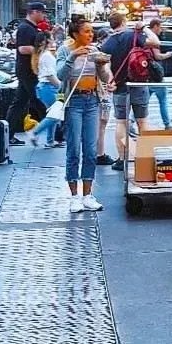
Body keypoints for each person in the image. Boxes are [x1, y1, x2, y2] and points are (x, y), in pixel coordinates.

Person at [56, 19, 114, 212]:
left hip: (92, 101)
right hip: (74, 103)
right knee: (74, 149)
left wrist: (104, 70)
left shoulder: (95, 50)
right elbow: (60, 75)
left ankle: (88, 194)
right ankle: (74, 196)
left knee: (90, 150)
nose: (91, 35)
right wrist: (72, 56)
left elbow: (104, 77)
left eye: (91, 32)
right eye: (86, 32)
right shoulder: (65, 50)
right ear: (75, 34)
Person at [101, 12, 160, 172]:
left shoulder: (107, 44)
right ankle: (146, 157)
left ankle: (122, 158)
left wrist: (110, 80)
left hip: (120, 86)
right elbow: (156, 42)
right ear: (124, 21)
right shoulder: (133, 36)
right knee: (142, 121)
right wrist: (145, 28)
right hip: (139, 84)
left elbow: (105, 67)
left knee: (121, 122)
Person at [7, 1, 48, 142]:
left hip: (28, 71)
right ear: (34, 12)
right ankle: (55, 134)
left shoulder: (31, 28)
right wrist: (42, 51)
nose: (43, 15)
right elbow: (23, 48)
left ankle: (8, 135)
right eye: (42, 12)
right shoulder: (25, 28)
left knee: (19, 103)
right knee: (41, 101)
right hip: (28, 71)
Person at [26, 32, 62, 148]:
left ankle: (50, 140)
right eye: (51, 38)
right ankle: (35, 132)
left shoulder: (42, 55)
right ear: (46, 40)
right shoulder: (46, 56)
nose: (53, 40)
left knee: (53, 114)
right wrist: (61, 87)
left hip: (45, 88)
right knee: (56, 114)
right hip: (49, 87)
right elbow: (50, 75)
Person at [147, 18, 172, 129]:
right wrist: (168, 54)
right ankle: (167, 123)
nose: (161, 29)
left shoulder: (146, 38)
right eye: (160, 26)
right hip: (156, 75)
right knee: (163, 100)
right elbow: (158, 56)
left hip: (149, 74)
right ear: (155, 26)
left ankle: (131, 121)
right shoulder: (153, 40)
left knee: (144, 101)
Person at [95, 28, 115, 166]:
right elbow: (106, 71)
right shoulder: (101, 54)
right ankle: (99, 153)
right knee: (101, 123)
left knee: (102, 123)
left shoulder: (99, 52)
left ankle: (99, 152)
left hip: (103, 89)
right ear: (102, 39)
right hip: (102, 90)